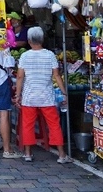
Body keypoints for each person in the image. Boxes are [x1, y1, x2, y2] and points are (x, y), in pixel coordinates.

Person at [14, 26, 70, 163]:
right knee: (54, 125)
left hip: (29, 97)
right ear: (42, 39)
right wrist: (64, 93)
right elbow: (56, 75)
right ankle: (62, 155)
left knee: (27, 125)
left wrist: (17, 95)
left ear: (28, 40)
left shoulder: (24, 56)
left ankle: (27, 153)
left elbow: (20, 77)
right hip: (47, 97)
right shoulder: (50, 55)